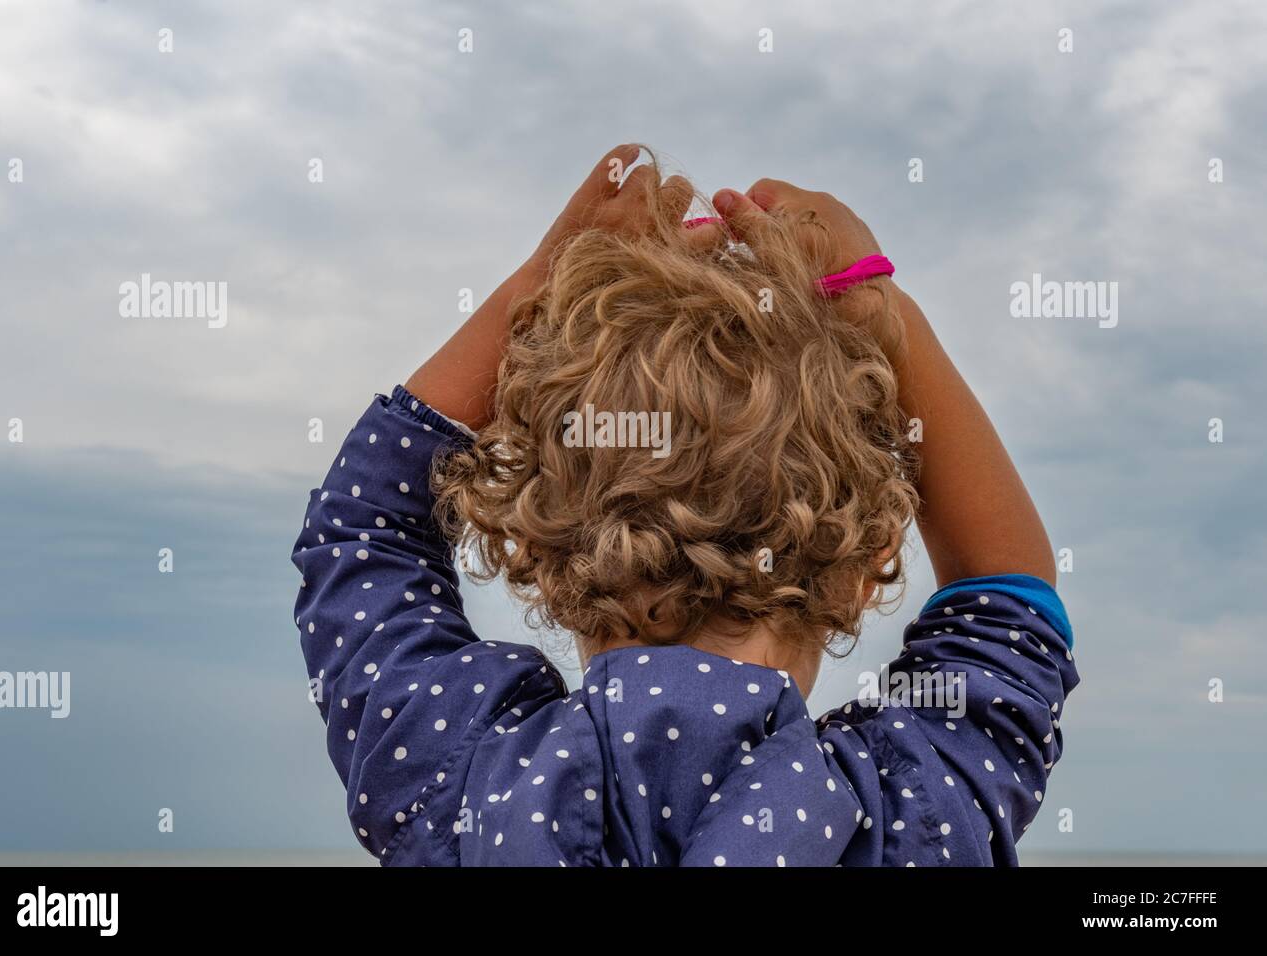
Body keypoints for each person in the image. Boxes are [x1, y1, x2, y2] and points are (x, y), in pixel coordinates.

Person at [291, 145, 1078, 866]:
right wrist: (883, 312)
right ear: (868, 566)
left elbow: (362, 532)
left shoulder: (459, 783)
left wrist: (537, 290)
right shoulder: (910, 815)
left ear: (535, 548)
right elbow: (1006, 597)